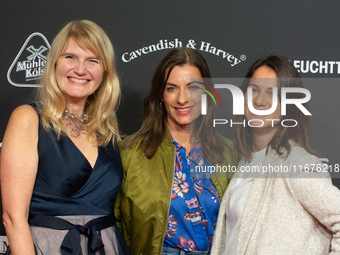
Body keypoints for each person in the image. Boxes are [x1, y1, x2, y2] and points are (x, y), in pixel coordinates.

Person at [0, 20, 129, 255]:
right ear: (55, 63)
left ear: (105, 71)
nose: (80, 69)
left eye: (93, 60)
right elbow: (12, 217)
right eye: (71, 57)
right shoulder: (28, 118)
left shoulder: (108, 131)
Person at [115, 47, 241, 255]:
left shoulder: (230, 153)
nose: (182, 99)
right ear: (161, 95)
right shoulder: (130, 153)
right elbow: (115, 227)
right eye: (172, 88)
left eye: (192, 88)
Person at [211, 55, 340, 255]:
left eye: (272, 93)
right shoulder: (247, 162)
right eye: (254, 90)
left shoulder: (296, 164)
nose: (260, 101)